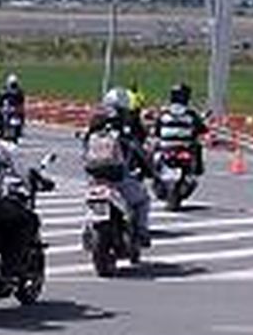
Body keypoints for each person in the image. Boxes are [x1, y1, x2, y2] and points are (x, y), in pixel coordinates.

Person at [84, 89, 154, 244]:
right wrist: (150, 171)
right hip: (118, 177)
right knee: (143, 200)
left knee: (91, 203)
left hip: (95, 178)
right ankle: (142, 231)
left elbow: (85, 147)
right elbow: (137, 150)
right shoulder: (125, 125)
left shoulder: (95, 122)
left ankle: (87, 229)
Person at [155, 83, 207, 176]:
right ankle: (198, 170)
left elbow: (157, 130)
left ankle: (151, 171)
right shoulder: (190, 114)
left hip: (166, 146)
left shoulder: (164, 113)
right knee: (198, 146)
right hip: (184, 145)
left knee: (155, 148)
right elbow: (201, 128)